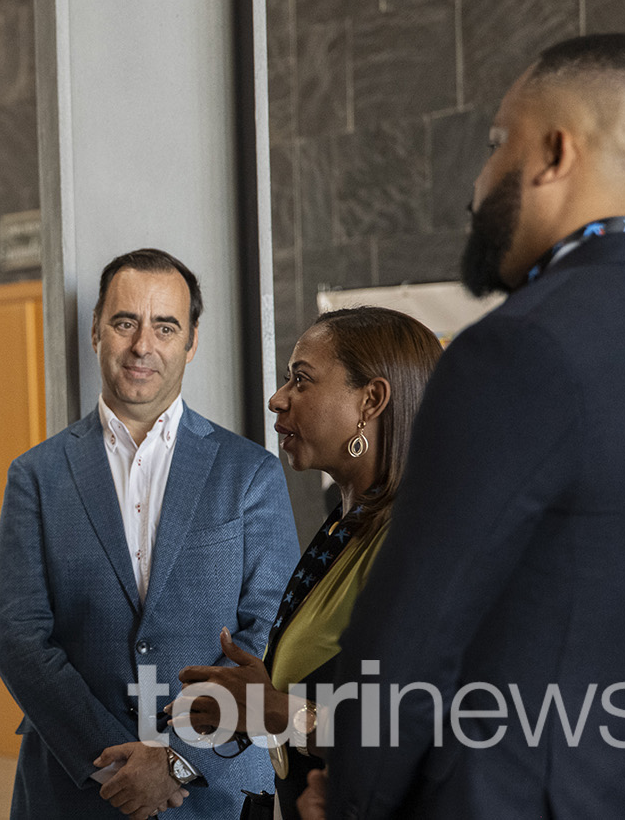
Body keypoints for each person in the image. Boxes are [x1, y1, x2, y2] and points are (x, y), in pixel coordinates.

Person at [323, 34, 625, 818]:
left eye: (497, 143)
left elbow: (410, 634)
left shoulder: (517, 350)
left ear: (554, 153)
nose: (476, 184)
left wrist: (355, 798)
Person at [0, 248, 300, 820]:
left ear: (192, 341)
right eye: (125, 322)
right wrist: (115, 763)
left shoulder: (250, 473)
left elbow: (272, 631)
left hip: (214, 788)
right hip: (74, 791)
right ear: (96, 332)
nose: (142, 346)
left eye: (165, 326)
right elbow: (18, 638)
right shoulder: (36, 476)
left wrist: (174, 759)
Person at [174, 308, 442, 820]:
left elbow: (428, 726)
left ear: (372, 400)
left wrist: (278, 710)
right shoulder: (347, 526)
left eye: (301, 380)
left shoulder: (419, 542)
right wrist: (253, 702)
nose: (278, 399)